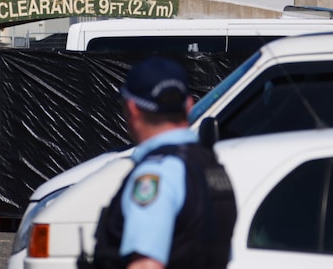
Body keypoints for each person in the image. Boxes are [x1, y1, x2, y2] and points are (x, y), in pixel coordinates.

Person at [91, 56, 236, 269]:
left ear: (132, 109)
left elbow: (146, 265)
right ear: (189, 105)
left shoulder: (156, 174)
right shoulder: (212, 167)